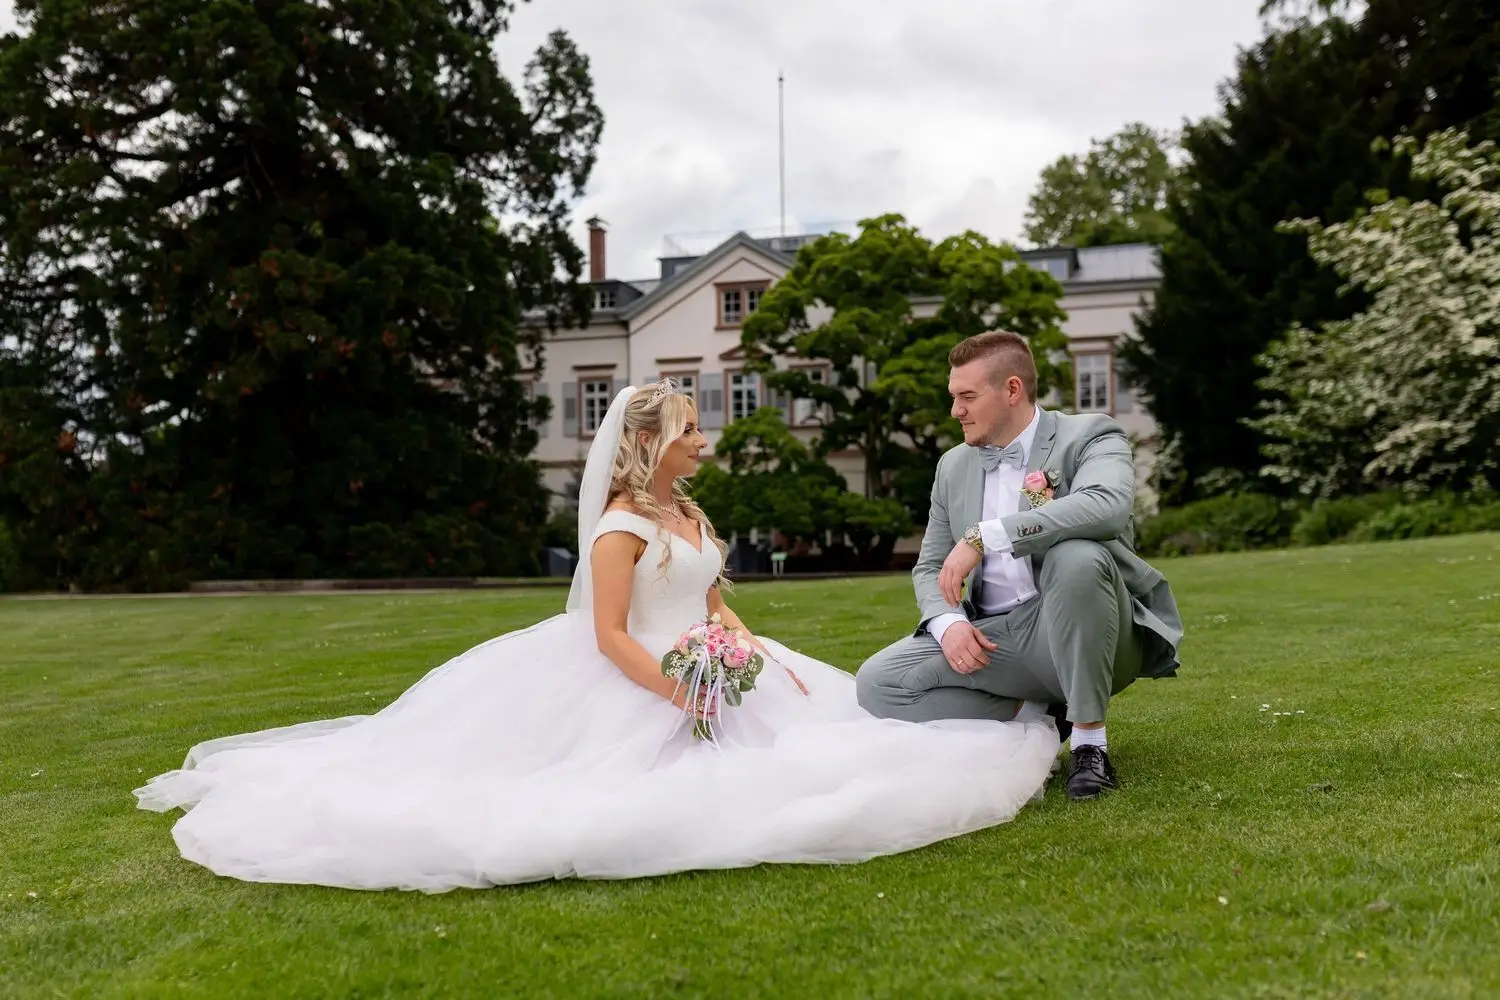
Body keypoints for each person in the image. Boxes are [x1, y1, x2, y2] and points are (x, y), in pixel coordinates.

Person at [135, 380, 1059, 892]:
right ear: (652, 442)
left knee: (842, 730)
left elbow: (710, 597)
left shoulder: (689, 511)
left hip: (712, 659)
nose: (706, 442)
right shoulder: (620, 527)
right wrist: (680, 690)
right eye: (692, 432)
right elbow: (611, 634)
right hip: (636, 676)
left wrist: (752, 647)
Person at [855, 332, 1183, 800]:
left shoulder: (1090, 434)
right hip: (998, 638)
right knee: (879, 684)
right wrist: (949, 625)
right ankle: (1041, 718)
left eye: (967, 397)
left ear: (1012, 390)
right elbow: (929, 567)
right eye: (953, 398)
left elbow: (1107, 506)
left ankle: (1091, 745)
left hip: (1085, 630)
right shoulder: (952, 466)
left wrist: (986, 535)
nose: (956, 411)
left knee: (1077, 556)